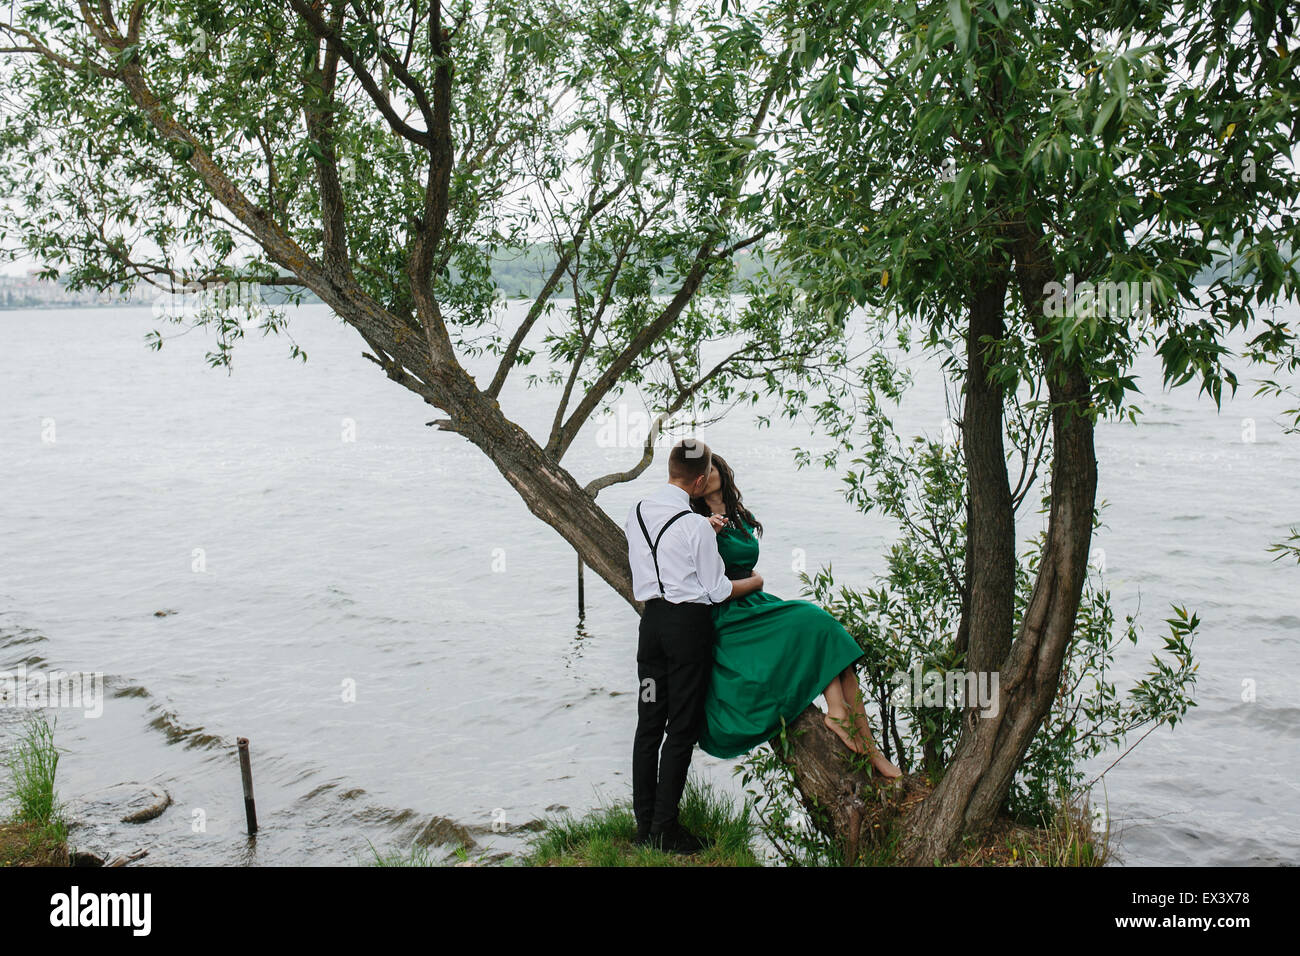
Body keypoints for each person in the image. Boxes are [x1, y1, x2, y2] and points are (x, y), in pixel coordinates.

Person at [691, 452, 903, 779]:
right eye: (700, 472)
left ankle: (861, 738)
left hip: (754, 602)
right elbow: (707, 584)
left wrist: (754, 582)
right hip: (730, 614)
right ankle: (853, 731)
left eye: (711, 466)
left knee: (830, 639)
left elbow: (744, 562)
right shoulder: (697, 523)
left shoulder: (739, 514)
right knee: (813, 622)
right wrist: (754, 580)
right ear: (695, 483)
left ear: (720, 470)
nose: (707, 474)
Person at [623, 438, 764, 854]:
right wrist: (755, 582)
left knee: (648, 723)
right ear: (701, 479)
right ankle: (666, 830)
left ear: (670, 469)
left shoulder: (636, 512)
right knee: (680, 728)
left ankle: (643, 826)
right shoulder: (696, 526)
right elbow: (718, 591)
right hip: (687, 631)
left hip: (651, 630)